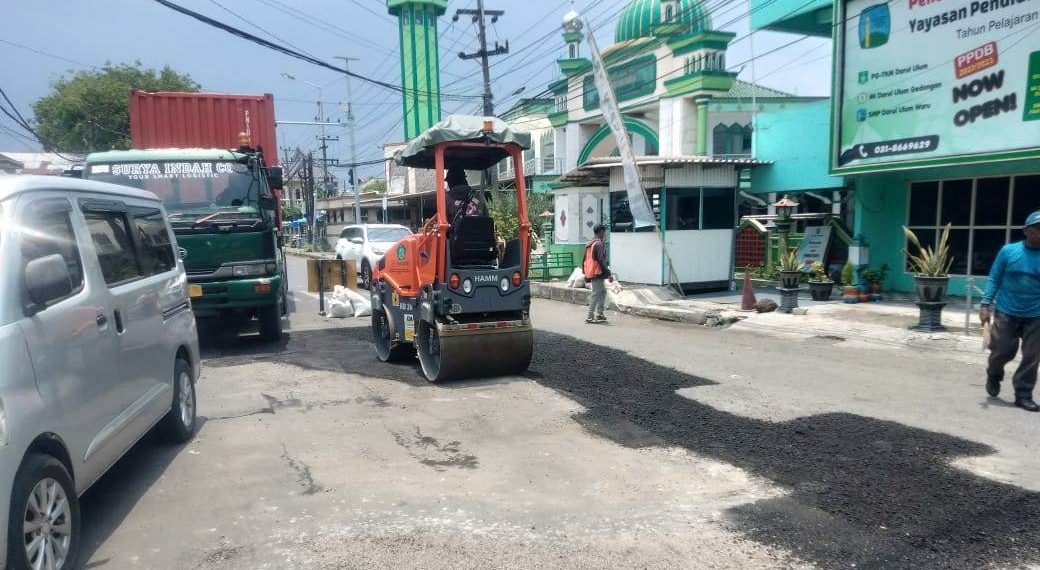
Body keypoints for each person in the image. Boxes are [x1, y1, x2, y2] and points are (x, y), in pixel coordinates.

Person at [981, 210, 1040, 412]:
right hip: (1007, 312)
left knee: (1032, 355)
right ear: (1026, 230)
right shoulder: (1008, 251)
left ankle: (1023, 394)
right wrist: (985, 304)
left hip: (1036, 315)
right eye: (1037, 228)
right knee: (1002, 351)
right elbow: (994, 278)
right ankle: (994, 374)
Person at [582, 223, 613, 324]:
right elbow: (601, 260)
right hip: (597, 272)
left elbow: (584, 260)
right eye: (604, 232)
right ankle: (590, 316)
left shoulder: (590, 243)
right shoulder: (598, 244)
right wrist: (609, 274)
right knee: (595, 293)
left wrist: (585, 272)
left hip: (591, 272)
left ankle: (599, 314)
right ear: (601, 232)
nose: (604, 234)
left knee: (602, 291)